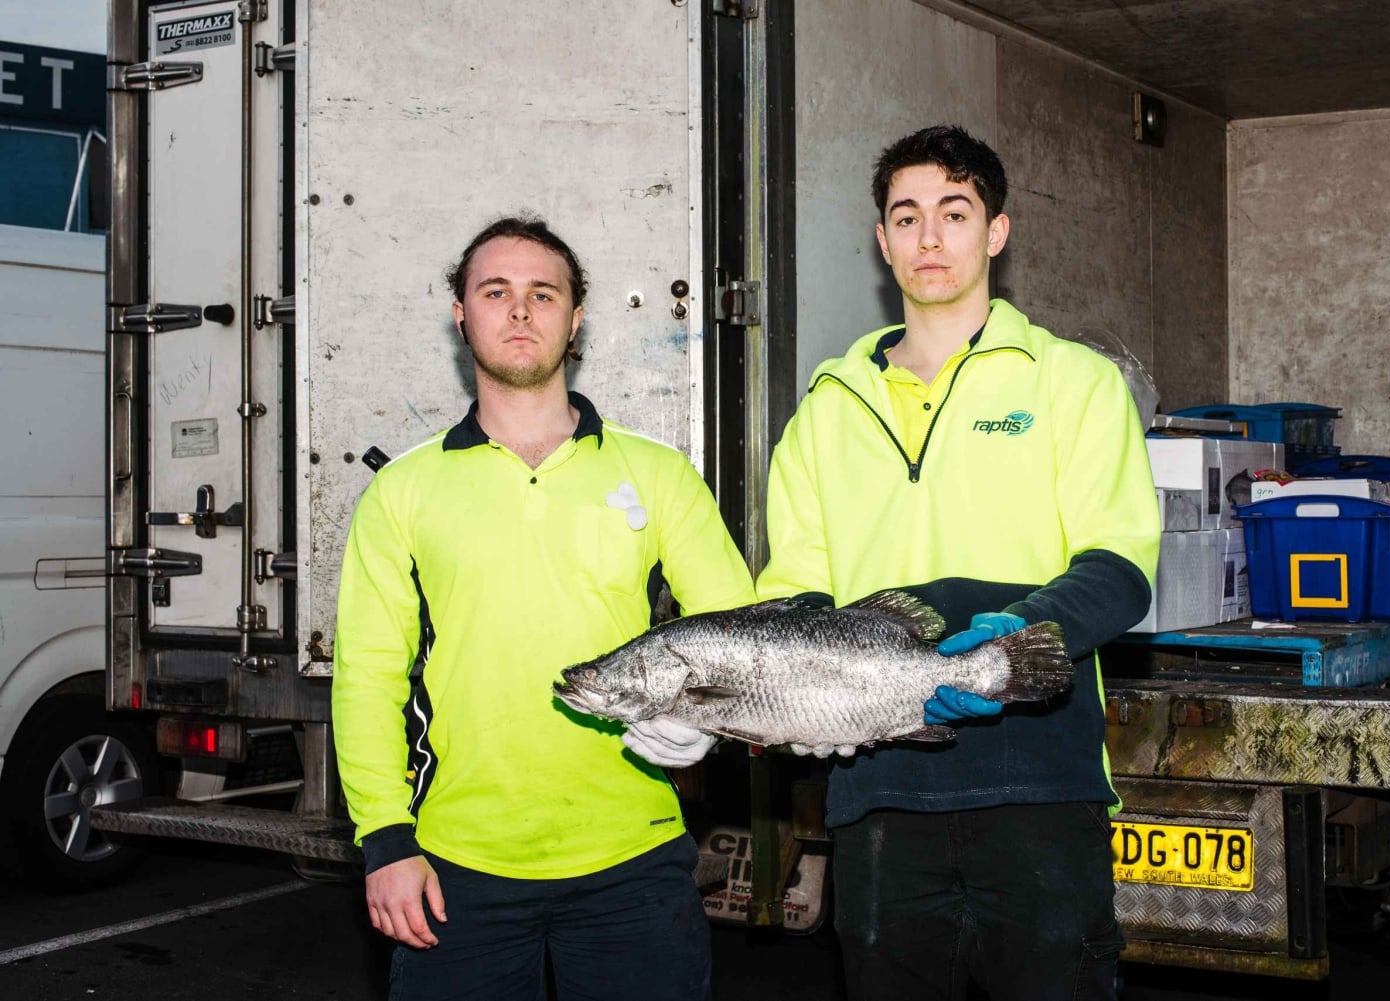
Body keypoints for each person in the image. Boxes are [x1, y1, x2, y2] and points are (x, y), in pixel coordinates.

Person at [755, 126, 1161, 999]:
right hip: (880, 796)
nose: (929, 237)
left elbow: (1122, 565)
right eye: (907, 217)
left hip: (1038, 785)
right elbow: (795, 593)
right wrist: (795, 698)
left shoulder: (1071, 382)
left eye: (954, 211)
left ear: (997, 231)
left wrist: (1018, 639)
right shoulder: (826, 410)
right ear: (882, 240)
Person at [330, 215, 756, 1001]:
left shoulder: (657, 472)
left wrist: (703, 718)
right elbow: (367, 676)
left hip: (635, 856)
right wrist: (385, 838)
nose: (520, 310)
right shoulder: (403, 490)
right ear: (461, 315)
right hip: (455, 861)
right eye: (495, 292)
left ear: (576, 318)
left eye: (543, 293)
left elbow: (742, 634)